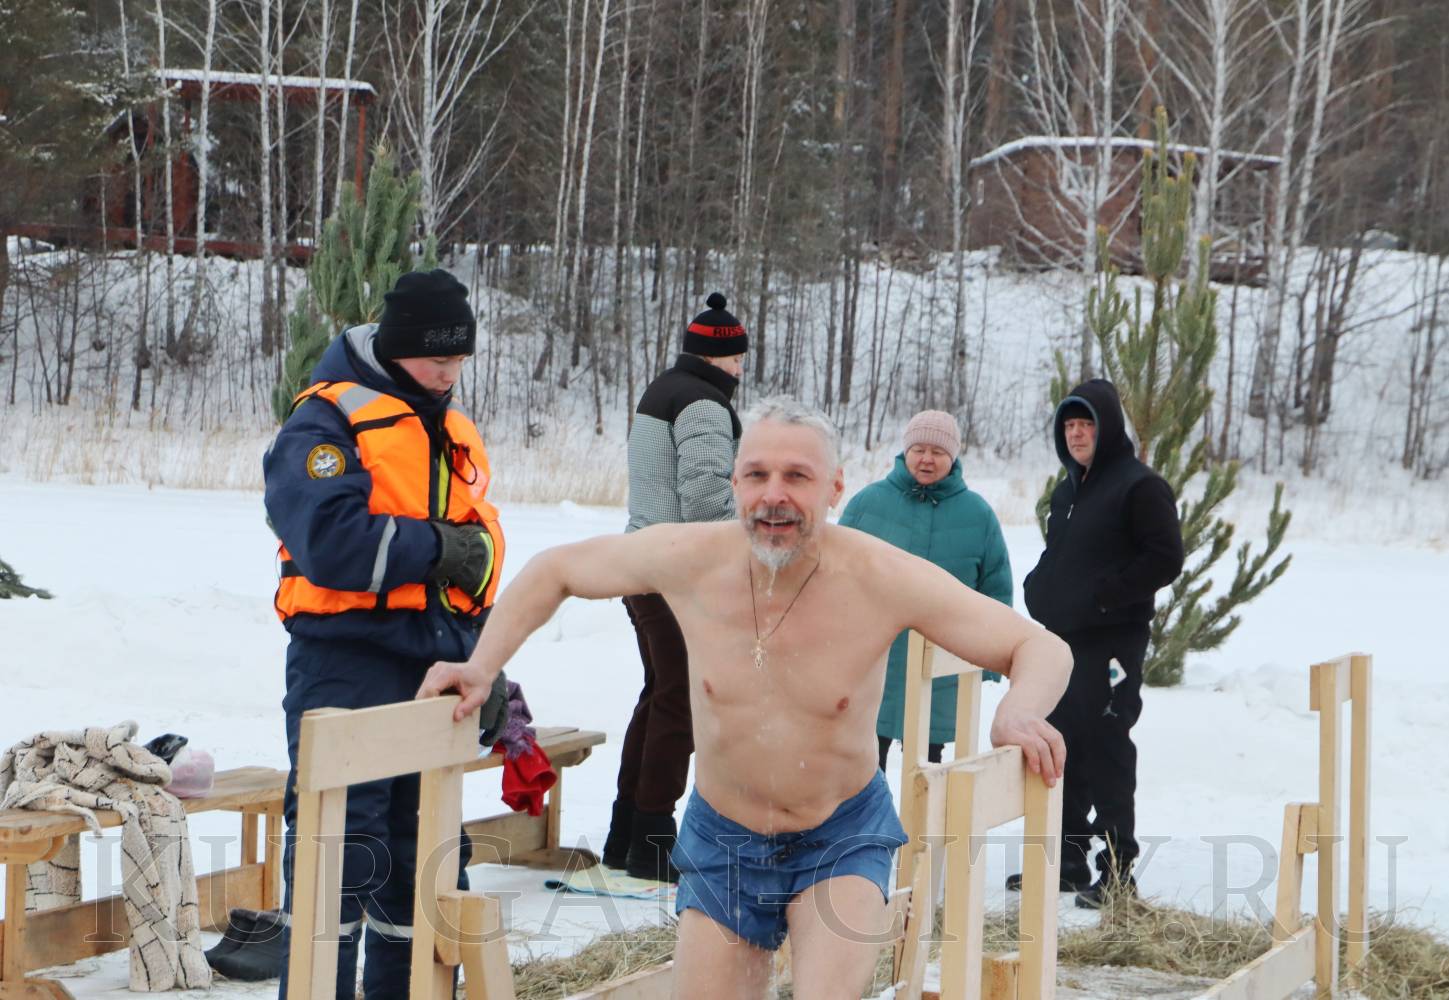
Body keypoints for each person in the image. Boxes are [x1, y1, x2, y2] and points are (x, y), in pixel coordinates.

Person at [418, 397, 1072, 1000]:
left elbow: (1039, 647)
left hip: (839, 834)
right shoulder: (690, 558)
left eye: (797, 477)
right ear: (733, 485)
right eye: (756, 475)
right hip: (723, 839)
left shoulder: (880, 577)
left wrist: (1019, 711)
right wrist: (482, 666)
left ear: (835, 487)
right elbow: (555, 571)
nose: (773, 495)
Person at [264, 268, 507, 1000]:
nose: (449, 374)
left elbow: (474, 561)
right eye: (437, 359)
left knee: (425, 859)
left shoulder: (446, 427)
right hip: (346, 662)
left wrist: (485, 662)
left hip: (437, 665)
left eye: (459, 359)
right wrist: (436, 549)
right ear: (398, 348)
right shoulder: (324, 423)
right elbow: (330, 542)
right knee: (338, 856)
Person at [1020, 378, 1184, 908]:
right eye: (1068, 425)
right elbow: (1061, 555)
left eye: (1085, 424)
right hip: (1064, 643)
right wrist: (1039, 587)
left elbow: (1166, 558)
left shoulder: (1140, 487)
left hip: (1114, 642)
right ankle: (1067, 863)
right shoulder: (1068, 490)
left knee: (1107, 746)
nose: (1076, 434)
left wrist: (1104, 597)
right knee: (1060, 744)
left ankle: (1116, 873)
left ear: (1107, 428)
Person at [605, 292, 747, 882]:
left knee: (659, 695)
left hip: (640, 562)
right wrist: (738, 557)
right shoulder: (704, 403)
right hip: (677, 572)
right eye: (737, 358)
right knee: (682, 702)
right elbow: (707, 496)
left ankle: (626, 834)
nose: (740, 369)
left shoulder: (661, 389)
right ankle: (653, 842)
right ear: (721, 357)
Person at [838, 410, 1013, 770]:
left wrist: (992, 657)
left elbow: (996, 589)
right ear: (906, 452)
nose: (927, 459)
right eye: (919, 450)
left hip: (943, 661)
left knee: (930, 768)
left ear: (953, 457)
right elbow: (836, 575)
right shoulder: (868, 503)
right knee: (865, 760)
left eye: (938, 452)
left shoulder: (978, 515)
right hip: (875, 659)